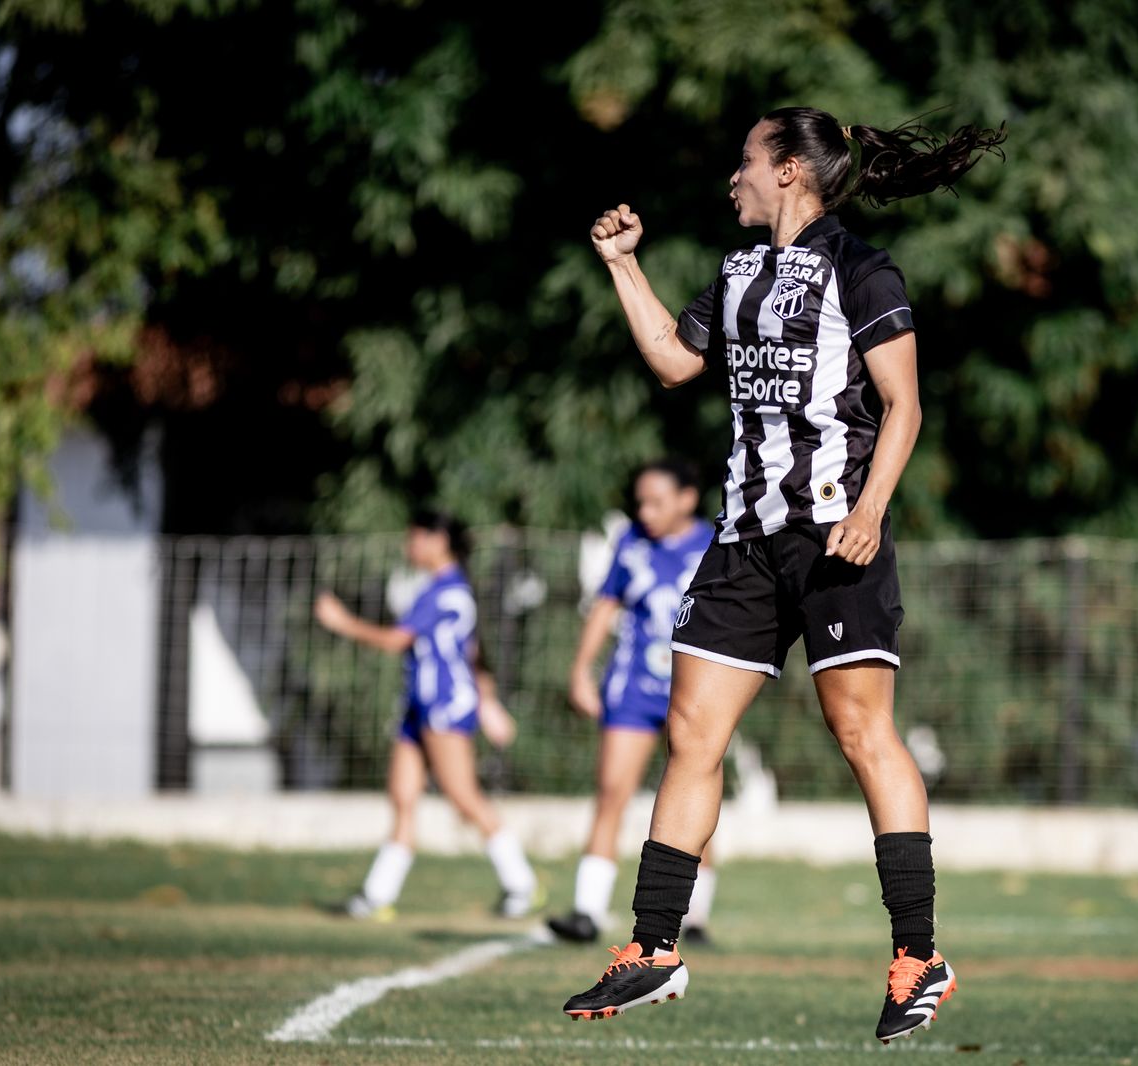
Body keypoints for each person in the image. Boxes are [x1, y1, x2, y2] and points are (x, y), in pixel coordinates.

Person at [562, 106, 1003, 1042]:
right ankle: (652, 948)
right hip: (745, 540)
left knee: (861, 734)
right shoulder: (733, 274)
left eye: (746, 162)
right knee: (691, 731)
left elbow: (904, 406)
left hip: (837, 535)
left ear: (792, 172)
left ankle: (919, 955)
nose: (734, 178)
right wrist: (623, 267)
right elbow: (674, 364)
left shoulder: (863, 267)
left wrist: (871, 510)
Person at [314, 509, 539, 921]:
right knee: (403, 797)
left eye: (416, 537)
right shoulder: (440, 589)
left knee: (464, 797)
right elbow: (469, 651)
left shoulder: (446, 591)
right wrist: (488, 701)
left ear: (439, 541)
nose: (409, 546)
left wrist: (342, 622)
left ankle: (520, 884)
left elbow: (396, 640)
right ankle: (376, 895)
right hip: (418, 708)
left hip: (443, 707)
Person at [546, 459, 717, 946]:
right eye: (639, 501)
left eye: (656, 501)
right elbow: (605, 606)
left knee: (697, 799)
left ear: (687, 498)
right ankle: (586, 911)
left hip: (697, 691)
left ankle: (694, 914)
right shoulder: (631, 544)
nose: (644, 511)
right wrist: (581, 669)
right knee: (611, 791)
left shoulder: (716, 542)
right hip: (633, 688)